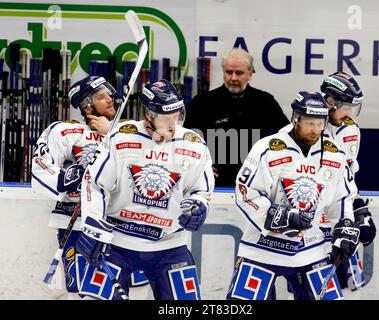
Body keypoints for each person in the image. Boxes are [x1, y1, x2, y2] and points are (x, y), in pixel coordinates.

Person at [74, 79, 214, 300]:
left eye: (176, 116)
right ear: (148, 115)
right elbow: (95, 182)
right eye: (166, 118)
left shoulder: (193, 143)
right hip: (117, 243)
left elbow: (200, 189)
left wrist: (199, 205)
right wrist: (92, 226)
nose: (173, 124)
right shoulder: (121, 137)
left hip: (170, 246)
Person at [226, 91, 359, 300]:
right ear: (295, 119)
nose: (316, 130)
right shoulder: (267, 148)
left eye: (320, 123)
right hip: (262, 246)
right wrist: (279, 215)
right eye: (309, 123)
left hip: (311, 247)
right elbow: (245, 193)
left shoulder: (337, 153)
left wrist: (344, 228)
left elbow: (342, 198)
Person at [31, 75, 149, 299]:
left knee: (133, 292)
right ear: (86, 105)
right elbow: (40, 167)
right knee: (84, 292)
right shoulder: (65, 132)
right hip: (79, 228)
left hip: (126, 228)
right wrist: (70, 176)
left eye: (109, 93)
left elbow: (148, 168)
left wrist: (112, 135)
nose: (110, 99)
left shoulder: (130, 133)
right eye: (100, 96)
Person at [185, 48, 289, 188]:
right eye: (228, 72)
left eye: (239, 73)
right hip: (213, 185)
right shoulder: (202, 103)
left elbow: (286, 139)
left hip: (255, 186)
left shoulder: (265, 103)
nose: (233, 78)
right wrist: (199, 166)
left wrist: (272, 169)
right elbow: (184, 141)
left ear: (250, 73)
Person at [320, 72, 376, 294]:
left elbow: (347, 173)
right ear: (330, 102)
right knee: (305, 284)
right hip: (310, 216)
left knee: (342, 285)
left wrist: (357, 206)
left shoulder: (351, 129)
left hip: (338, 212)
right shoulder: (307, 124)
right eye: (346, 107)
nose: (349, 114)